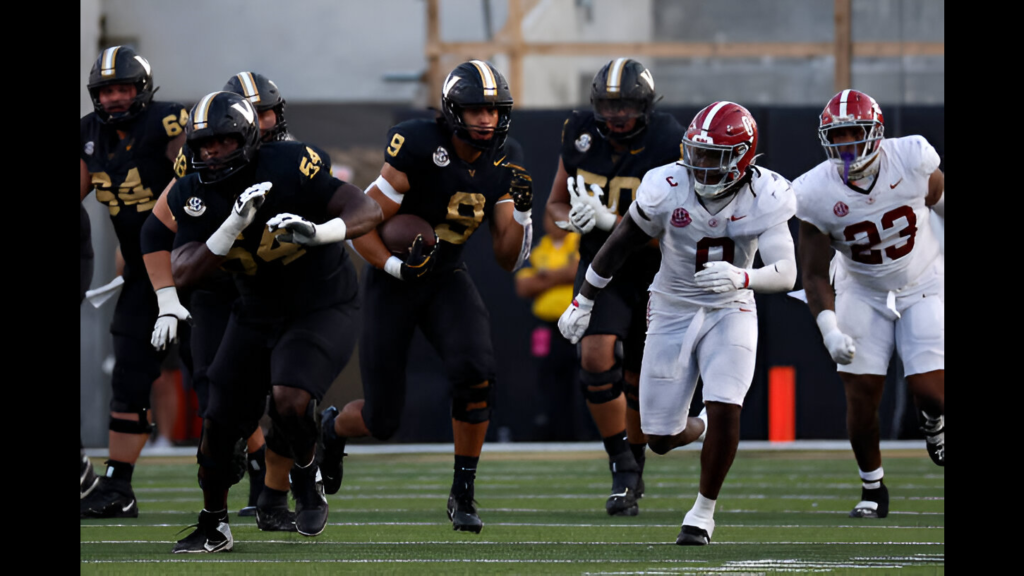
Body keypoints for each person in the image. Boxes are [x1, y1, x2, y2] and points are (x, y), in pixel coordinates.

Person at [148, 90, 382, 552]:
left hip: (320, 302)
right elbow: (183, 269)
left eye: (223, 141)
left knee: (291, 400)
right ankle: (214, 523)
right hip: (255, 308)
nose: (211, 153)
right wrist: (229, 227)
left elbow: (366, 209)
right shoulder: (194, 187)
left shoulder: (291, 163)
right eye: (203, 145)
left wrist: (320, 232)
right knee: (218, 421)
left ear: (250, 138)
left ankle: (306, 472)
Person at [559, 101, 797, 545]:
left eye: (713, 156)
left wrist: (743, 276)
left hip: (731, 305)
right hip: (670, 305)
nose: (700, 164)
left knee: (728, 402)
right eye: (697, 152)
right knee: (660, 437)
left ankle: (702, 513)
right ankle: (702, 425)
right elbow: (619, 243)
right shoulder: (667, 184)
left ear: (742, 157)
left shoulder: (767, 193)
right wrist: (584, 301)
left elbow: (786, 272)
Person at [317, 60, 534, 534]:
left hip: (445, 277)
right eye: (476, 111)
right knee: (382, 419)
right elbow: (362, 226)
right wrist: (395, 265)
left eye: (494, 111)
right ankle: (330, 430)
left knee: (476, 373)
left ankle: (464, 491)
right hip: (395, 281)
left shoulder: (506, 158)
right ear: (454, 111)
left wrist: (521, 212)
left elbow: (507, 257)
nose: (486, 120)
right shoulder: (417, 144)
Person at [143, 71, 298, 527]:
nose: (264, 124)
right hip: (217, 284)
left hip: (275, 288)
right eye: (256, 115)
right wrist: (166, 297)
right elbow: (156, 229)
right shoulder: (202, 157)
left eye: (268, 112)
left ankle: (285, 485)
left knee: (290, 391)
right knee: (218, 390)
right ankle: (251, 479)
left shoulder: (293, 159)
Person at [792, 89, 944, 519]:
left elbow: (940, 198)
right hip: (861, 288)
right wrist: (829, 329)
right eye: (838, 137)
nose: (847, 146)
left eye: (855, 134)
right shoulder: (815, 190)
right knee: (861, 395)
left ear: (875, 133)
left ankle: (932, 420)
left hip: (923, 279)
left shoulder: (911, 158)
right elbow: (815, 273)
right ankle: (873, 488)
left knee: (930, 390)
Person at [545, 58, 685, 516]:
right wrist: (572, 220)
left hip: (655, 268)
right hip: (602, 266)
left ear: (645, 105)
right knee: (594, 353)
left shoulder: (669, 139)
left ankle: (636, 466)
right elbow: (555, 205)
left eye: (625, 104)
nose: (616, 114)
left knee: (639, 378)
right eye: (607, 104)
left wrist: (617, 222)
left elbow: (682, 227)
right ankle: (621, 464)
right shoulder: (580, 131)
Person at [80, 45, 188, 519]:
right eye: (107, 91)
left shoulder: (170, 123)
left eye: (124, 88)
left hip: (198, 264)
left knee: (218, 373)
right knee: (129, 375)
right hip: (144, 273)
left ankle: (259, 474)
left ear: (143, 90)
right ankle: (118, 487)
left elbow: (197, 178)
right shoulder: (88, 134)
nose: (116, 98)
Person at [514, 211, 586, 441]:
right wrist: (562, 275)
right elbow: (524, 286)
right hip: (545, 326)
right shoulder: (539, 248)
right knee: (548, 377)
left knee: (584, 376)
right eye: (548, 217)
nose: (553, 223)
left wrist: (545, 276)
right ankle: (551, 431)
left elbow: (580, 272)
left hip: (578, 324)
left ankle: (583, 432)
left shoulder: (578, 242)